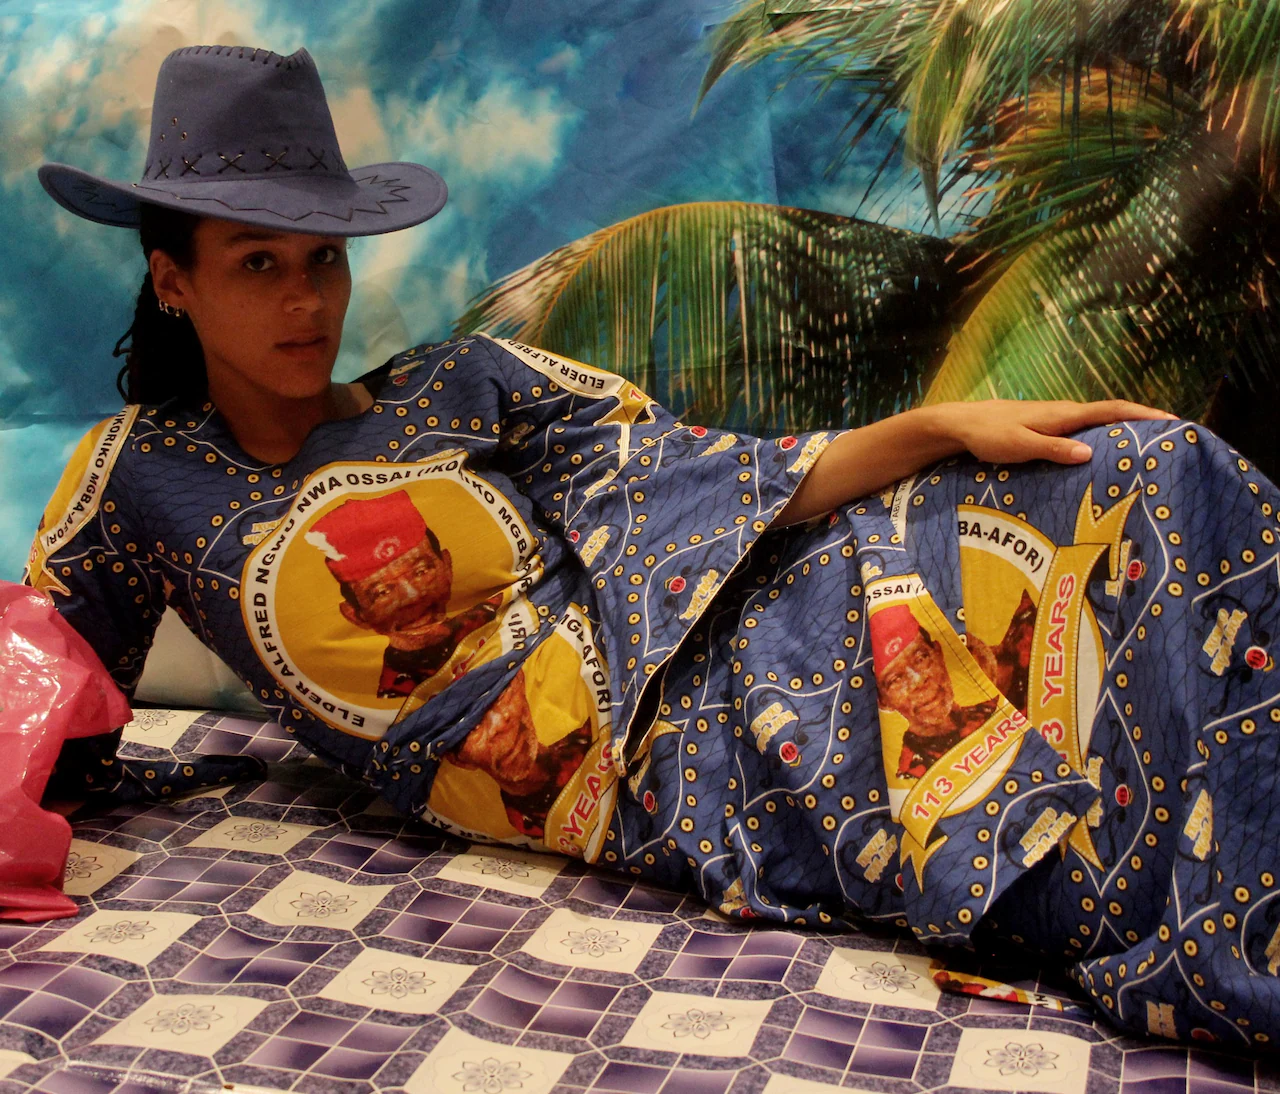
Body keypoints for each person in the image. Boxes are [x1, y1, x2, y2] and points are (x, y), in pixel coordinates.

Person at [25, 43, 1280, 1051]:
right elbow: (44, 695)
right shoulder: (138, 482)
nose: (307, 300)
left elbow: (712, 479)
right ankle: (1227, 948)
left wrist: (937, 426)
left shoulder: (460, 383)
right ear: (172, 278)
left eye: (323, 259)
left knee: (1153, 472)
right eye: (257, 263)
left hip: (740, 627)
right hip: (664, 769)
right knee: (1009, 822)